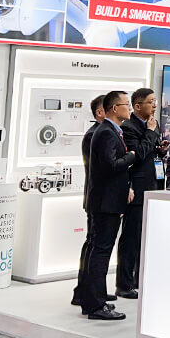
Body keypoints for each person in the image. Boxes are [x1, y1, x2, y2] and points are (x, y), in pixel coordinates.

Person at [80, 91, 137, 320]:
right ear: (115, 108)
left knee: (99, 250)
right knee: (100, 252)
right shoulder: (105, 132)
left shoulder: (111, 131)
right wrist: (131, 156)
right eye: (126, 104)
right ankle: (95, 305)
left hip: (108, 201)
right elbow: (111, 166)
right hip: (105, 203)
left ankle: (93, 300)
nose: (129, 109)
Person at [116, 88, 168, 300]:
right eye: (150, 102)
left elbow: (150, 151)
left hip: (153, 185)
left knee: (145, 238)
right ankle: (124, 284)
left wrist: (161, 149)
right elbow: (137, 155)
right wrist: (150, 132)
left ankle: (139, 279)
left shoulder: (151, 125)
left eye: (155, 101)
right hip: (136, 189)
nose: (154, 105)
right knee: (131, 238)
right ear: (137, 106)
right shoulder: (129, 127)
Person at [71, 95, 112, 307]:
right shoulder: (95, 134)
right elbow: (103, 168)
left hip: (98, 197)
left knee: (93, 244)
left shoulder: (99, 133)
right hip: (99, 198)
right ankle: (87, 294)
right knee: (95, 245)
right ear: (100, 112)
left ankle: (89, 291)